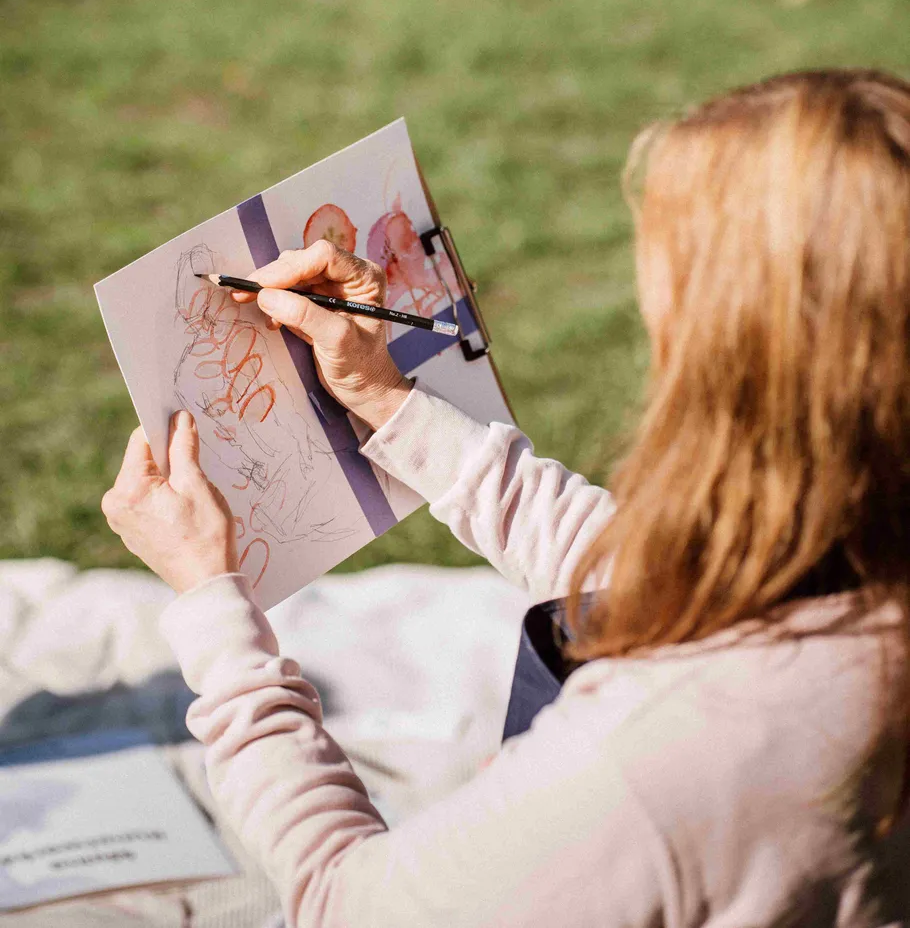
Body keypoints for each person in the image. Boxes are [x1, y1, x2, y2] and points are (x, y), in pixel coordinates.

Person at [102, 68, 910, 926]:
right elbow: (656, 580)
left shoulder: (665, 751)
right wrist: (385, 400)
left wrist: (214, 616)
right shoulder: (865, 556)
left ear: (733, 343)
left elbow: (352, 909)